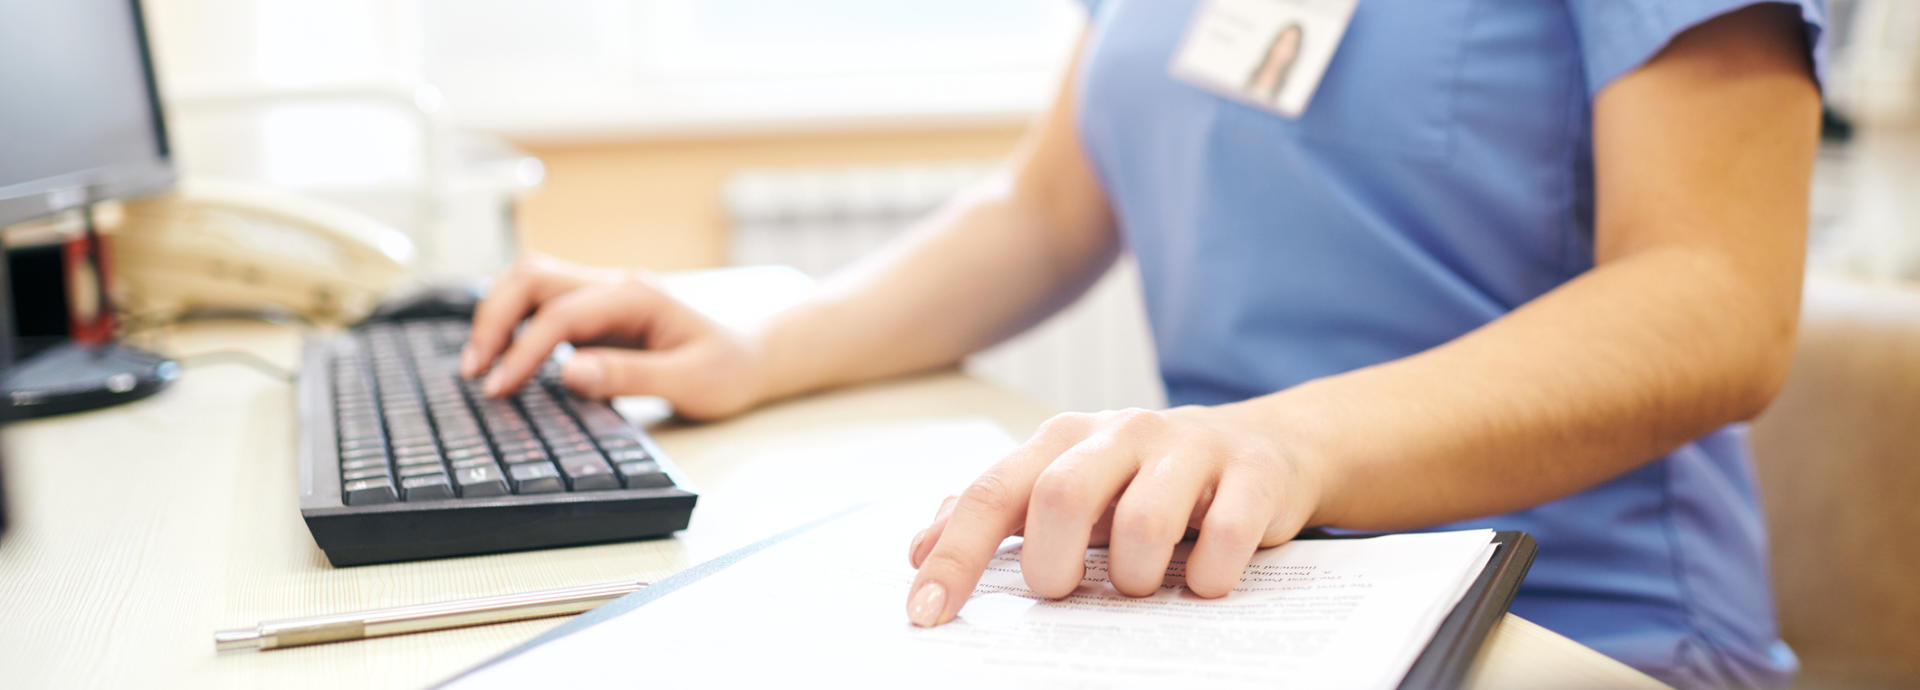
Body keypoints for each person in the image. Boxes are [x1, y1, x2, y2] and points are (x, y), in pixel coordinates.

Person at [459, 1, 1824, 686]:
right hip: (1238, 599)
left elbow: (1715, 294)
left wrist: (1285, 442)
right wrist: (769, 338)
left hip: (1561, 624)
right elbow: (1053, 199)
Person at [1244, 23, 1302, 103]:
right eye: (1282, 41)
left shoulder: (1290, 90)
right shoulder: (1249, 71)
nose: (1283, 48)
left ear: (1294, 52)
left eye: (1289, 44)